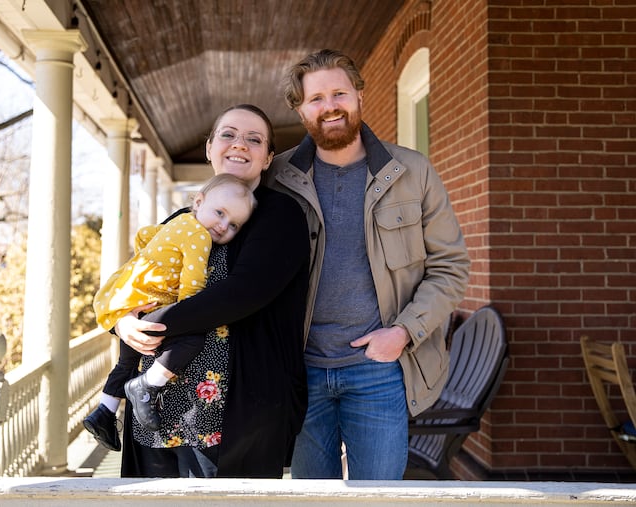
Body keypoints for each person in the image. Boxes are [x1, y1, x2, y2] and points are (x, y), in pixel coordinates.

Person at [264, 49, 471, 480]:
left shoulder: (413, 172)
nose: (330, 106)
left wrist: (402, 333)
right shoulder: (276, 179)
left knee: (377, 497)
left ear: (359, 96)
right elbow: (218, 239)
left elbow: (450, 267)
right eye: (316, 98)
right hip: (301, 371)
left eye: (339, 93)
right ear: (300, 108)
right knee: (309, 498)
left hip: (379, 368)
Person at [112, 104, 310, 478]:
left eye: (255, 139)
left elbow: (241, 294)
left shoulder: (281, 216)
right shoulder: (179, 222)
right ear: (209, 148)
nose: (240, 145)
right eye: (228, 134)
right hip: (157, 403)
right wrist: (123, 322)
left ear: (268, 158)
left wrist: (151, 323)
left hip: (237, 408)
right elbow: (134, 283)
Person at [83, 173, 257, 449]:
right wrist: (190, 317)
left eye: (233, 224)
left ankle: (104, 411)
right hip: (152, 304)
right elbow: (193, 285)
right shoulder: (199, 235)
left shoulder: (179, 221)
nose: (224, 226)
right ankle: (147, 386)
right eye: (219, 213)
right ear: (198, 202)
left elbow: (145, 237)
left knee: (127, 362)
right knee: (192, 338)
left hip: (130, 299)